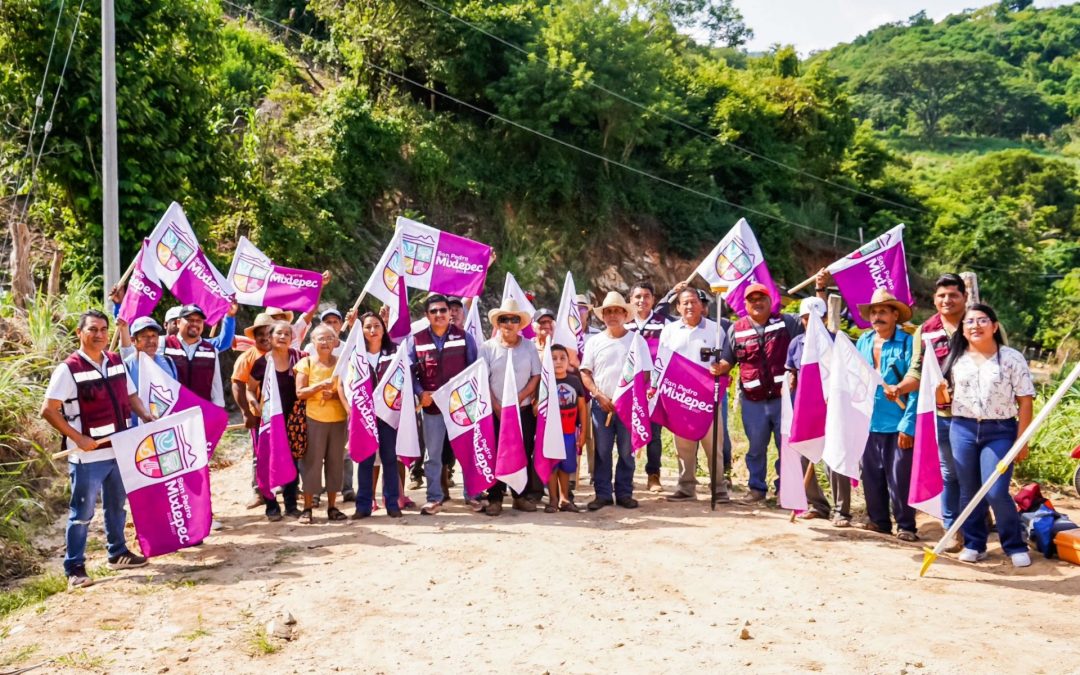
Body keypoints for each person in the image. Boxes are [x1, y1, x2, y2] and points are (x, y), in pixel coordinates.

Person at [41, 310, 156, 589]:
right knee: (81, 514)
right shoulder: (68, 369)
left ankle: (118, 553)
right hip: (87, 455)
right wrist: (78, 438)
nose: (100, 334)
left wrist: (146, 416)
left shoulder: (116, 361)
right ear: (80, 333)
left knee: (117, 506)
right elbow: (48, 409)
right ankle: (74, 569)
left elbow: (130, 396)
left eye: (104, 329)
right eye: (93, 329)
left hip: (118, 448)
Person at [942, 304, 1034, 567]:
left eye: (982, 320)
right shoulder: (955, 358)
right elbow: (945, 399)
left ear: (994, 326)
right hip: (963, 429)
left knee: (996, 491)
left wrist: (1022, 439)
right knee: (969, 492)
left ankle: (1014, 544)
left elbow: (1025, 402)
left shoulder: (1011, 358)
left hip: (1000, 431)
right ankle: (974, 543)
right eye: (969, 322)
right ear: (963, 329)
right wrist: (938, 392)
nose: (975, 326)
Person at [887, 273, 968, 551]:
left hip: (977, 417)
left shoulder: (978, 323)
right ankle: (952, 529)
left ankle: (976, 523)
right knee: (950, 473)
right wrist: (899, 388)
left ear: (965, 297)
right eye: (942, 296)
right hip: (942, 416)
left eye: (953, 295)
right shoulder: (925, 330)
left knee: (974, 474)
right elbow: (916, 371)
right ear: (934, 300)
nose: (947, 300)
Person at [658, 287, 733, 503]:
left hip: (708, 397)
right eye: (685, 303)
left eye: (694, 302)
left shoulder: (716, 329)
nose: (690, 306)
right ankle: (686, 487)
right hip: (680, 398)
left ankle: (718, 489)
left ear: (702, 305)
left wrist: (722, 367)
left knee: (713, 445)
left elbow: (727, 358)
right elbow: (662, 362)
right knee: (683, 445)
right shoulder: (670, 331)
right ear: (678, 307)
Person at [854, 289, 917, 541]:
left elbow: (916, 384)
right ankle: (878, 521)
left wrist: (909, 424)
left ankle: (906, 525)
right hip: (869, 420)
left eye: (883, 311)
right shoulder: (864, 341)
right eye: (874, 312)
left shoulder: (908, 342)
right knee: (871, 474)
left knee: (900, 476)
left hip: (898, 421)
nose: (877, 316)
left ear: (894, 315)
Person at [731, 283, 802, 503]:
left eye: (761, 298)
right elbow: (726, 359)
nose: (757, 303)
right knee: (755, 447)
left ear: (771, 301)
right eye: (752, 300)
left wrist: (819, 291)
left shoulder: (788, 323)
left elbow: (814, 327)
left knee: (787, 447)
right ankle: (756, 489)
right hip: (753, 401)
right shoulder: (736, 329)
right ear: (745, 304)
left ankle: (786, 489)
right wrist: (716, 367)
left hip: (784, 399)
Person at [409, 294, 479, 515]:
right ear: (426, 316)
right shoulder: (416, 340)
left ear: (451, 313)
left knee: (468, 452)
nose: (439, 314)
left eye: (443, 310)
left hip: (461, 407)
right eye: (434, 311)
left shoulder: (465, 337)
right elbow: (409, 374)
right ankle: (434, 498)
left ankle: (473, 495)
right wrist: (420, 394)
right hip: (432, 408)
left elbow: (474, 370)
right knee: (433, 456)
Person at [785, 297, 849, 525]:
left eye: (814, 318)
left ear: (823, 318)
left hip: (833, 408)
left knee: (834, 458)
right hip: (806, 410)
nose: (809, 323)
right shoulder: (796, 344)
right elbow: (792, 372)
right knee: (803, 455)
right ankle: (817, 505)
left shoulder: (837, 342)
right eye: (805, 319)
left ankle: (842, 511)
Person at [580, 291, 646, 511]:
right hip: (602, 406)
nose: (612, 315)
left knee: (627, 451)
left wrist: (629, 397)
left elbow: (645, 374)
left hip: (628, 406)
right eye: (608, 311)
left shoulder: (637, 341)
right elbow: (585, 373)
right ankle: (603, 494)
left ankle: (625, 493)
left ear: (625, 314)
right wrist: (598, 394)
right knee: (602, 451)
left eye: (617, 311)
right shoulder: (594, 342)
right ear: (603, 316)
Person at [480, 298, 543, 516]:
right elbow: (483, 380)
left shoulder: (529, 347)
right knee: (496, 452)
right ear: (498, 322)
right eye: (504, 319)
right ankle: (495, 498)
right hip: (494, 411)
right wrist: (497, 405)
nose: (509, 323)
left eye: (514, 319)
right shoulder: (487, 348)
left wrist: (517, 399)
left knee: (523, 450)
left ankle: (520, 496)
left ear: (520, 323)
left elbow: (536, 375)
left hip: (522, 410)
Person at [248, 321, 303, 521]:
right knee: (267, 462)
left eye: (287, 333)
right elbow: (249, 388)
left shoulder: (299, 358)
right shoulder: (262, 362)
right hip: (269, 422)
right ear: (270, 338)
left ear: (292, 338)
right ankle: (271, 506)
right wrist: (254, 403)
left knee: (292, 463)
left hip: (293, 421)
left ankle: (291, 505)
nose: (283, 337)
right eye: (279, 333)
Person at [350, 312, 403, 518]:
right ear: (361, 331)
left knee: (390, 458)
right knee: (365, 459)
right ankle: (363, 506)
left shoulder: (395, 352)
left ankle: (392, 504)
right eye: (367, 327)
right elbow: (349, 384)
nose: (372, 330)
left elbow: (402, 381)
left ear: (383, 328)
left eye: (376, 326)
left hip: (388, 415)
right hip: (364, 415)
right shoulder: (356, 354)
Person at [295, 324, 348, 524]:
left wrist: (333, 394)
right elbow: (300, 392)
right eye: (321, 338)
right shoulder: (306, 363)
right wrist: (318, 387)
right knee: (312, 463)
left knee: (336, 463)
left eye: (329, 338)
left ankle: (333, 507)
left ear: (336, 342)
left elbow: (348, 389)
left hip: (338, 419)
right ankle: (307, 508)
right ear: (312, 342)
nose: (325, 342)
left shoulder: (342, 364)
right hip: (314, 419)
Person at [625, 281, 673, 493]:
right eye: (637, 297)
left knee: (654, 434)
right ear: (630, 300)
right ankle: (626, 476)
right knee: (627, 433)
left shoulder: (665, 325)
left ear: (653, 300)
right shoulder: (624, 324)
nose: (642, 300)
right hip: (629, 388)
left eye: (646, 296)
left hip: (655, 389)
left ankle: (653, 475)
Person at [232, 313, 276, 509]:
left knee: (284, 451)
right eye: (261, 333)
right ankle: (259, 491)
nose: (265, 337)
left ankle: (288, 489)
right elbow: (238, 385)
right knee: (259, 455)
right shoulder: (247, 357)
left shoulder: (282, 353)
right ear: (255, 336)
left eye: (269, 333)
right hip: (258, 415)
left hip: (281, 413)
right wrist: (246, 412)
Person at [545, 344, 586, 513]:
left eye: (562, 358)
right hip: (550, 434)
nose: (558, 362)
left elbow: (582, 408)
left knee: (566, 466)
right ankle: (552, 499)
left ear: (569, 361)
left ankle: (564, 498)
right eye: (553, 358)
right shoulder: (545, 381)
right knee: (552, 466)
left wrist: (583, 431)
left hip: (569, 432)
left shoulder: (574, 381)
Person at [162, 305, 225, 406]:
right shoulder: (163, 344)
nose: (195, 324)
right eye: (190, 320)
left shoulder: (211, 350)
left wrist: (218, 411)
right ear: (178, 323)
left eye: (199, 320)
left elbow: (216, 388)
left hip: (201, 413)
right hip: (172, 414)